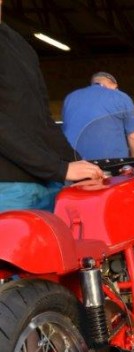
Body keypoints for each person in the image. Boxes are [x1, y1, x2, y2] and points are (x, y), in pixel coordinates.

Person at [0, 0, 103, 210]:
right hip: (8, 190)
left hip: (46, 185)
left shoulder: (20, 45)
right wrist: (59, 168)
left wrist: (81, 165)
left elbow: (43, 119)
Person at [61, 72, 134, 160]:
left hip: (74, 162)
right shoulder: (120, 96)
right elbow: (133, 136)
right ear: (115, 86)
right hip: (111, 163)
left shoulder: (70, 98)